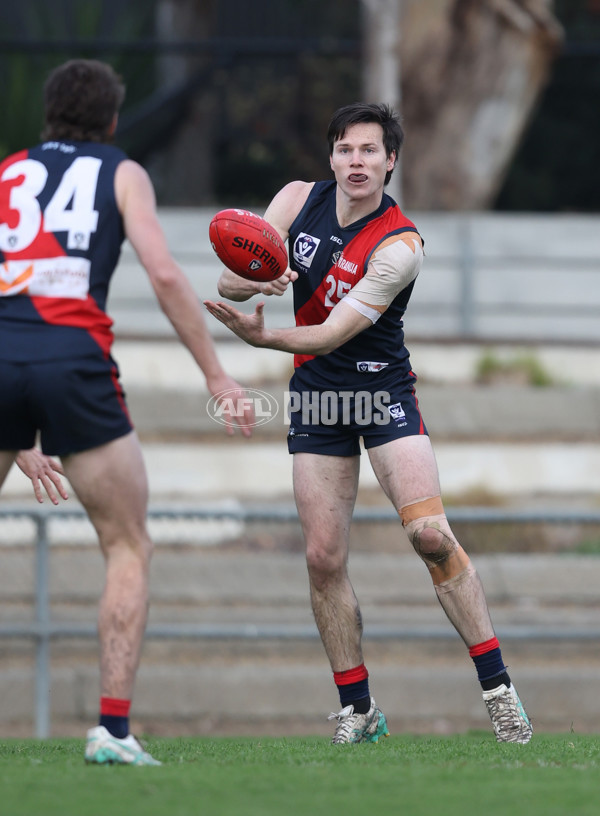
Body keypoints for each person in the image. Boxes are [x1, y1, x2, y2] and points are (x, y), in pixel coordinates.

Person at [205, 102, 533, 745]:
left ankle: (499, 692)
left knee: (431, 536)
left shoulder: (400, 244)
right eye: (346, 149)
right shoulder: (296, 200)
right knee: (322, 556)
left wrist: (262, 339)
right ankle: (358, 710)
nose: (357, 162)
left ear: (391, 161)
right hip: (317, 400)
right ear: (331, 157)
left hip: (381, 393)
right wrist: (257, 282)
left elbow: (329, 333)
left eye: (370, 151)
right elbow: (229, 277)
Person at [0, 59, 254, 765]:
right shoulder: (121, 171)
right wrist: (216, 374)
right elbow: (165, 272)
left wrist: (14, 429)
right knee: (126, 543)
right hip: (74, 360)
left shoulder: (7, 171)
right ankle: (111, 731)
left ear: (46, 113)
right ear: (113, 119)